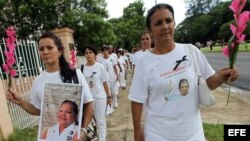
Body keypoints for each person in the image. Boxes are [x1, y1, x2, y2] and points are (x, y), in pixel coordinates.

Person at [128, 3, 239, 141]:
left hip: (193, 134)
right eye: (158, 23)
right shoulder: (144, 61)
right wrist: (137, 130)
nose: (165, 26)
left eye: (168, 21)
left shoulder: (190, 50)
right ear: (150, 31)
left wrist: (222, 77)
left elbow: (207, 83)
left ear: (174, 23)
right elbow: (137, 100)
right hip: (158, 135)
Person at [6, 32, 94, 140]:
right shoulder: (38, 81)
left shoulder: (75, 74)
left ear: (60, 51)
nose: (45, 52)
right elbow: (39, 110)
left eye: (49, 47)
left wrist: (83, 131)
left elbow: (89, 103)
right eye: (41, 49)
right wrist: (20, 101)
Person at [82, 45, 112, 141]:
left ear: (95, 54)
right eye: (86, 53)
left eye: (90, 52)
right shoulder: (82, 69)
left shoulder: (100, 67)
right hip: (88, 99)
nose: (88, 54)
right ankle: (93, 138)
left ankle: (102, 139)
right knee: (88, 121)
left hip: (100, 97)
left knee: (100, 121)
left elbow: (105, 83)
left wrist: (109, 97)